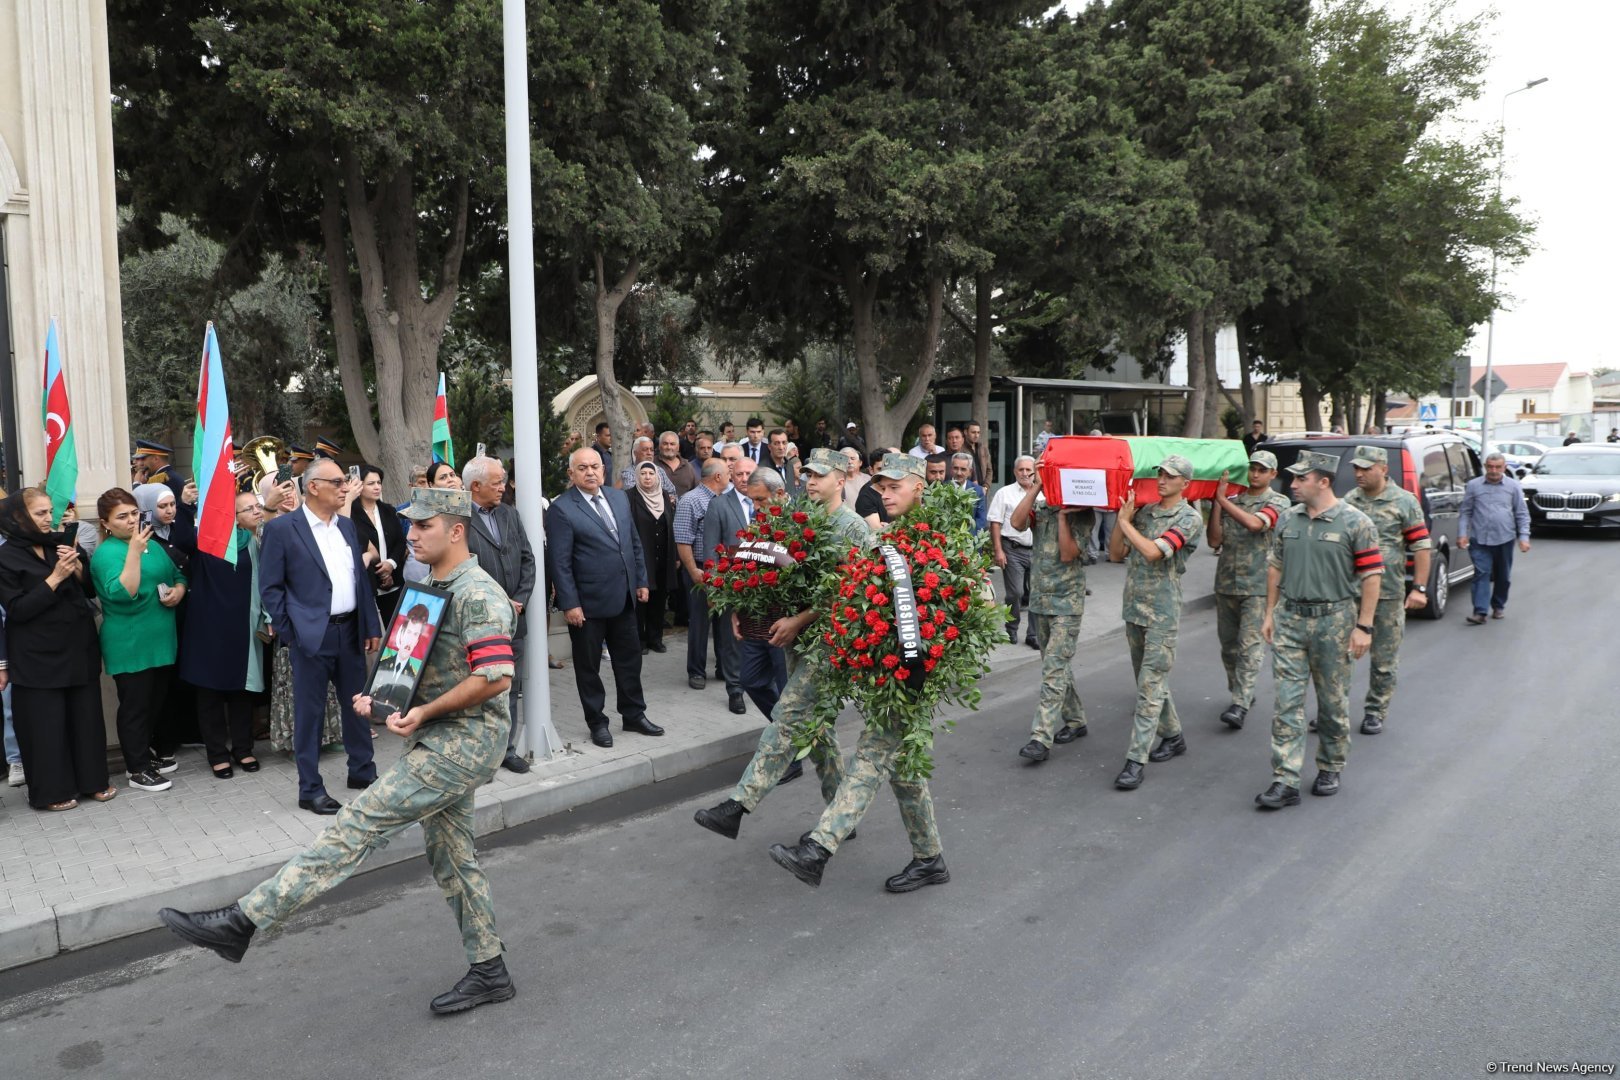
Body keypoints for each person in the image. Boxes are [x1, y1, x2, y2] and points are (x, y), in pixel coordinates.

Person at [160, 487, 522, 1015]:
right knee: (453, 857)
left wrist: (423, 712)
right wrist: (383, 700)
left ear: (457, 530)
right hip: (439, 735)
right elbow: (424, 664)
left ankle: (244, 921)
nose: (412, 535)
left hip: (462, 744)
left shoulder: (479, 593)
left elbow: (495, 677)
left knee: (358, 823)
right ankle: (490, 970)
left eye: (423, 527)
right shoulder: (435, 584)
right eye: (412, 526)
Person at [767, 453, 948, 893]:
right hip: (886, 672)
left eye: (893, 488)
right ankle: (930, 859)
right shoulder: (891, 536)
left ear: (918, 487)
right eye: (881, 487)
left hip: (912, 676)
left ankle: (819, 847)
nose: (883, 494)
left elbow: (967, 600)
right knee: (904, 769)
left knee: (870, 756)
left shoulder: (941, 537)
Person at [693, 448, 868, 837]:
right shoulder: (796, 520)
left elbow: (849, 591)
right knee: (818, 733)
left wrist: (801, 619)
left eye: (820, 476)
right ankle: (843, 818)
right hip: (796, 640)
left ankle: (738, 806)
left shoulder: (853, 528)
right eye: (807, 475)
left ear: (841, 480)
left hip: (828, 642)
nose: (810, 481)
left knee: (788, 717)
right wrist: (740, 607)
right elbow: (770, 570)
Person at [1256, 451, 1382, 808]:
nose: (1292, 485)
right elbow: (1275, 567)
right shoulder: (1287, 520)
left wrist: (1364, 627)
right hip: (1291, 618)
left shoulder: (1355, 523)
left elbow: (1372, 576)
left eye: (1300, 479)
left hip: (1335, 621)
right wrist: (1269, 613)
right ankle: (1285, 779)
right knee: (1287, 704)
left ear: (1323, 482)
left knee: (1331, 702)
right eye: (1293, 479)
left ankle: (1330, 765)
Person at [259, 456, 382, 815]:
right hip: (310, 637)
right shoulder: (284, 530)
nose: (346, 488)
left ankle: (362, 771)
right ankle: (309, 788)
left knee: (358, 705)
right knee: (309, 714)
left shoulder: (345, 527)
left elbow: (359, 581)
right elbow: (271, 588)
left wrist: (371, 625)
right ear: (313, 487)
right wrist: (291, 631)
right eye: (338, 482)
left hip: (350, 632)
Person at [0, 490, 115, 810]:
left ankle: (94, 781)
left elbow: (89, 589)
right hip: (36, 654)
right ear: (18, 516)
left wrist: (77, 566)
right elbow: (18, 609)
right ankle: (52, 791)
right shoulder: (5, 556)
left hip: (77, 645)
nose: (48, 518)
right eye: (39, 513)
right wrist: (55, 578)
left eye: (50, 511)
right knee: (46, 726)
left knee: (86, 719)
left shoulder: (61, 542)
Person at [547, 448, 661, 748]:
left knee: (629, 660)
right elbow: (559, 562)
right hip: (587, 605)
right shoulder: (562, 509)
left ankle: (634, 715)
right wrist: (570, 603)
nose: (590, 472)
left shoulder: (618, 497)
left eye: (595, 466)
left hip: (624, 598)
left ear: (604, 469)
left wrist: (640, 580)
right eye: (582, 468)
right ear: (571, 474)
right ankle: (597, 722)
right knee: (589, 667)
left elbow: (632, 541)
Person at [1108, 456, 1204, 790]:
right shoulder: (1145, 513)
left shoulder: (1189, 518)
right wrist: (1124, 520)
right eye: (1160, 473)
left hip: (1162, 612)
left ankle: (1135, 760)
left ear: (1185, 484)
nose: (1162, 479)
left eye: (1170, 475)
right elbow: (1117, 554)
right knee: (1148, 682)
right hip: (1135, 609)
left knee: (1149, 688)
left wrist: (1127, 523)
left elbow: (1153, 552)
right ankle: (1174, 736)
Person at [90, 488, 187, 793]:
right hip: (130, 643)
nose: (131, 520)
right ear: (106, 523)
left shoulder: (151, 545)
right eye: (122, 516)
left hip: (160, 639)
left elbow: (178, 576)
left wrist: (178, 592)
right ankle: (137, 769)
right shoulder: (107, 553)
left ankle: (144, 754)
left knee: (155, 703)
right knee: (135, 707)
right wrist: (132, 551)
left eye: (134, 513)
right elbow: (123, 593)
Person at [1344, 446, 1433, 734]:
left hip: (1388, 594)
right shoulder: (1349, 500)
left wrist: (1418, 587)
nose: (1359, 473)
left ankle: (1375, 710)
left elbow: (1420, 546)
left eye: (1366, 468)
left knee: (1383, 660)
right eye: (1356, 468)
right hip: (1349, 592)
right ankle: (1334, 710)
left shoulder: (1404, 501)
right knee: (1337, 658)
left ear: (1383, 469)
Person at [178, 490, 266, 778]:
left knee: (242, 692)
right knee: (210, 693)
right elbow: (180, 536)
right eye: (248, 508)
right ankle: (217, 753)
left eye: (257, 506)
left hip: (243, 626)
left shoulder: (253, 541)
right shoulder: (205, 541)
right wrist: (185, 503)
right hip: (208, 628)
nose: (256, 511)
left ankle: (243, 749)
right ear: (232, 516)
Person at [1011, 465, 1093, 761]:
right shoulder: (1041, 507)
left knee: (1053, 669)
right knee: (1055, 665)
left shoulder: (1083, 513)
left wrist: (1062, 516)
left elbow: (1069, 554)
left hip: (1067, 604)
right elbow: (1016, 523)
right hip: (1041, 601)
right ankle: (1076, 720)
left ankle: (1040, 737)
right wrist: (1035, 488)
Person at [461, 456, 537, 774]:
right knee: (478, 688)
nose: (503, 487)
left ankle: (506, 749)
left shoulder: (509, 513)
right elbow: (459, 569)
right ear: (475, 486)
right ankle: (479, 756)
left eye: (503, 481)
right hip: (480, 624)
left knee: (510, 686)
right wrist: (496, 602)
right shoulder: (459, 519)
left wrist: (518, 600)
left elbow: (527, 559)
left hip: (514, 619)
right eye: (497, 482)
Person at [1209, 450, 1292, 730]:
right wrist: (1217, 503)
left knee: (1249, 647)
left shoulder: (1278, 501)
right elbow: (1214, 540)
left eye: (1262, 469)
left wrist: (1221, 500)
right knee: (1229, 648)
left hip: (1258, 587)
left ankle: (1240, 703)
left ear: (1273, 474)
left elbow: (1256, 524)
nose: (1255, 473)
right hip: (1226, 584)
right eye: (1252, 468)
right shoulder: (1233, 499)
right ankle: (1240, 691)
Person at [730, 467, 793, 720]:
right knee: (751, 680)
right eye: (752, 500)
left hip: (785, 623)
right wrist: (736, 609)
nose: (755, 507)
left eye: (760, 500)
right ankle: (784, 729)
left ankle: (790, 748)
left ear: (779, 494)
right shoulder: (757, 521)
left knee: (788, 690)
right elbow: (745, 565)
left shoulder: (801, 522)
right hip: (755, 620)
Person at [701, 447, 757, 715]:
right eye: (740, 473)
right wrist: (714, 587)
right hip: (732, 584)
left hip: (764, 584)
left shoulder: (767, 503)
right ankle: (735, 690)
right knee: (731, 639)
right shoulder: (719, 505)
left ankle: (760, 682)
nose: (745, 478)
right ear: (731, 476)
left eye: (750, 473)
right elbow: (711, 549)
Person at [674, 459, 730, 692]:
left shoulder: (725, 500)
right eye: (728, 472)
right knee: (700, 621)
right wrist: (693, 569)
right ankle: (696, 671)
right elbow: (683, 539)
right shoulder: (691, 500)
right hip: (699, 568)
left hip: (724, 568)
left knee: (723, 620)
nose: (730, 476)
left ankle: (724, 667)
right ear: (717, 476)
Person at [1458, 452, 1532, 626]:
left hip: (1504, 538)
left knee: (1503, 576)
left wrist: (1524, 537)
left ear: (1504, 467)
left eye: (1498, 467)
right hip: (1479, 539)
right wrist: (1462, 534)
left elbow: (1521, 513)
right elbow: (1465, 512)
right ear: (1485, 466)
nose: (1494, 470)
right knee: (1481, 573)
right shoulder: (1474, 485)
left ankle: (1498, 605)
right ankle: (1480, 612)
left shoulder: (1513, 486)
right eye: (1490, 467)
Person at [344, 463, 408, 627]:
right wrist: (380, 572)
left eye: (379, 483)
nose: (377, 487)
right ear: (359, 486)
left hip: (394, 581)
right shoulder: (350, 512)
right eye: (371, 483)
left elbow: (400, 542)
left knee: (395, 631)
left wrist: (390, 564)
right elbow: (355, 546)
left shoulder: (388, 510)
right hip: (368, 582)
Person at [987, 455, 1039, 647]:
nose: (1025, 473)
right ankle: (1012, 628)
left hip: (1038, 551)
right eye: (1021, 470)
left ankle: (1033, 635)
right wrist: (998, 550)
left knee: (1037, 594)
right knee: (1015, 593)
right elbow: (995, 522)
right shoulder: (1004, 493)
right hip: (1012, 549)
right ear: (1015, 472)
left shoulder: (1043, 493)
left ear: (1035, 471)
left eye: (1028, 470)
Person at [628, 461, 678, 654]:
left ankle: (655, 639)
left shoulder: (664, 496)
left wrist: (674, 554)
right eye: (643, 473)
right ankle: (639, 641)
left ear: (657, 476)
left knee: (659, 599)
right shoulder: (629, 497)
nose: (647, 477)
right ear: (637, 476)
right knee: (641, 600)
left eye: (651, 473)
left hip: (663, 556)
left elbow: (670, 526)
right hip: (641, 556)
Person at [948, 451, 988, 532]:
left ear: (970, 471)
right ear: (951, 469)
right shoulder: (943, 487)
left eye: (963, 469)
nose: (959, 473)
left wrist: (967, 540)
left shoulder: (978, 491)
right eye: (956, 468)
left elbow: (981, 521)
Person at [656, 430, 698, 500]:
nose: (669, 447)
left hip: (683, 509)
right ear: (659, 446)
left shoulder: (688, 467)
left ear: (678, 447)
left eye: (672, 444)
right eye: (665, 444)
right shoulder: (651, 465)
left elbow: (695, 491)